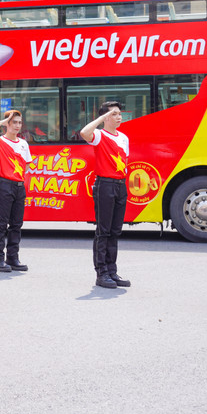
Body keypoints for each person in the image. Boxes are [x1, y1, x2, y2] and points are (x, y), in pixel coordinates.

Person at [80, 101, 131, 289]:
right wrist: (101, 118)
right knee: (104, 230)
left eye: (119, 113)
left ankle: (112, 270)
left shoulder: (124, 138)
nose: (119, 116)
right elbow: (84, 133)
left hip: (120, 185)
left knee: (115, 230)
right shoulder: (100, 135)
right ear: (105, 117)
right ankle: (101, 273)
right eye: (114, 114)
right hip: (105, 185)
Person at [0, 109, 31, 273]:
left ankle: (13, 258)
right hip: (4, 184)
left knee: (16, 224)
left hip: (19, 186)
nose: (17, 126)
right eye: (14, 122)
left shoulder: (23, 143)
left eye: (19, 122)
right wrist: (1, 123)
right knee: (1, 224)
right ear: (7, 124)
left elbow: (27, 164)